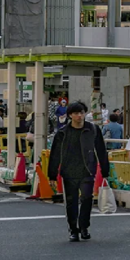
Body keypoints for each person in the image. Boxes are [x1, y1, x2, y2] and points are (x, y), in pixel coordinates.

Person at [46, 102, 109, 242]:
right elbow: (55, 154)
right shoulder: (62, 132)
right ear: (70, 115)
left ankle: (84, 227)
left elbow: (101, 150)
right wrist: (52, 174)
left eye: (81, 113)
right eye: (76, 113)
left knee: (87, 199)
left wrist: (105, 170)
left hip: (87, 170)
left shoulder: (93, 129)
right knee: (71, 202)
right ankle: (73, 229)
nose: (79, 116)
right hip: (69, 171)